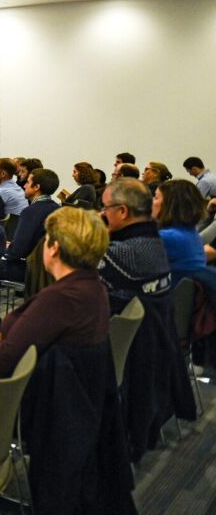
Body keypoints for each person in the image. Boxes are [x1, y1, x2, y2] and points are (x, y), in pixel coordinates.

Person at [0, 207, 110, 378]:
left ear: (54, 248)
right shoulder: (94, 288)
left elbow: (4, 359)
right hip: (24, 367)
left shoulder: (60, 298)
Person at [98, 178, 194, 461]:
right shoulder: (155, 241)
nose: (102, 214)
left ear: (123, 212)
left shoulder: (125, 253)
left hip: (125, 351)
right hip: (153, 344)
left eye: (105, 208)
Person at [0, 168, 61, 283]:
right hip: (50, 269)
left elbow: (17, 252)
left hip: (31, 269)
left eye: (28, 182)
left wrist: (7, 249)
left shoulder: (30, 212)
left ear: (36, 187)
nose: (24, 186)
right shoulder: (57, 208)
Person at [153, 179, 216, 296]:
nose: (151, 202)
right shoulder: (190, 233)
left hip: (166, 304)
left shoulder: (167, 237)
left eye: (156, 198)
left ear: (169, 204)